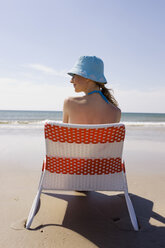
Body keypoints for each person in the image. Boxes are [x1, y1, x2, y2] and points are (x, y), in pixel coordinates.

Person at [63, 56, 121, 124]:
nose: (71, 81)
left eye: (74, 76)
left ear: (87, 77)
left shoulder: (69, 103)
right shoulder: (116, 112)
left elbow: (63, 133)